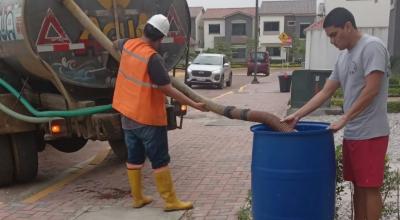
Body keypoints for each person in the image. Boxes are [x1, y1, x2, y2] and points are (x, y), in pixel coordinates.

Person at [282, 7, 390, 220]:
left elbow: (372, 89)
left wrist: (345, 118)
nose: (332, 41)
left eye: (334, 34)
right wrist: (298, 115)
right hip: (354, 134)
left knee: (370, 188)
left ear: (348, 27)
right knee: (358, 187)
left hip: (371, 133)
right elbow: (326, 91)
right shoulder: (343, 58)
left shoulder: (372, 47)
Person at [112, 14, 208, 211]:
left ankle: (138, 198)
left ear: (145, 29)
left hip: (127, 115)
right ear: (161, 38)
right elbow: (167, 89)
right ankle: (170, 201)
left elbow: (115, 44)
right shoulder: (152, 58)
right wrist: (194, 103)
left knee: (134, 157)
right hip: (147, 118)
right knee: (160, 159)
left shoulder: (128, 45)